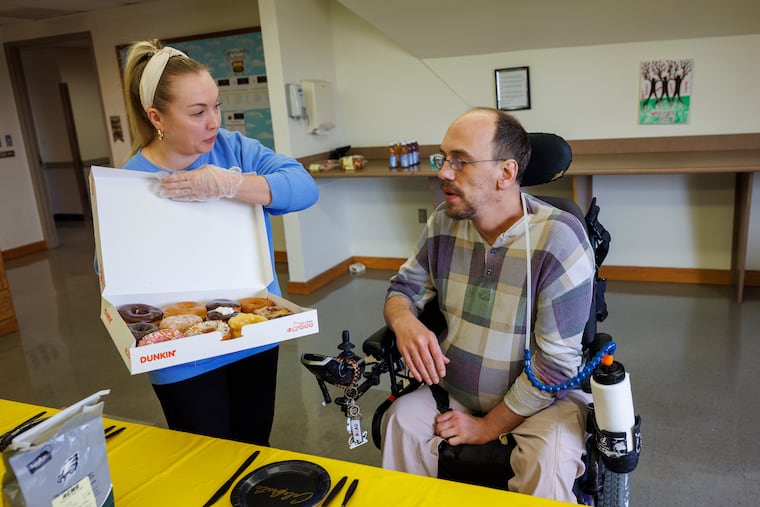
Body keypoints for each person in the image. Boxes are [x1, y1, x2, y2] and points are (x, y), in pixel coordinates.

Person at [380, 108, 595, 502]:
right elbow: (402, 289)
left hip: (543, 402)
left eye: (460, 161)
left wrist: (486, 427)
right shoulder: (444, 221)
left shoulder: (559, 240)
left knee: (548, 464)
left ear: (506, 173)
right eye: (443, 159)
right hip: (453, 389)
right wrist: (404, 323)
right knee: (401, 425)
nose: (444, 172)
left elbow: (554, 368)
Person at [119, 39, 319, 445]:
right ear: (157, 117)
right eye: (197, 112)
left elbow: (304, 188)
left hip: (251, 333)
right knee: (205, 452)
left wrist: (232, 183)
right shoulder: (128, 183)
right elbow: (111, 273)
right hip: (181, 352)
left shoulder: (235, 150)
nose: (214, 122)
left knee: (253, 442)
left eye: (216, 106)